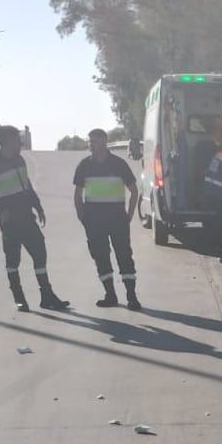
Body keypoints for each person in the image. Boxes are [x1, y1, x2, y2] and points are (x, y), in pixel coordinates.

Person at [0, 125, 70, 312]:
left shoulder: (19, 160)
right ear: (6, 143)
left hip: (27, 216)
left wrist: (38, 206)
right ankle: (19, 299)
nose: (20, 144)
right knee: (13, 261)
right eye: (16, 141)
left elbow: (26, 185)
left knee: (40, 254)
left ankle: (47, 296)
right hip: (9, 222)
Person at [73, 128, 142, 310]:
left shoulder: (118, 164)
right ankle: (110, 295)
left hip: (117, 220)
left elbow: (134, 191)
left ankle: (131, 296)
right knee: (101, 257)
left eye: (93, 142)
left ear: (103, 142)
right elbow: (77, 194)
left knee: (124, 257)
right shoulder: (84, 166)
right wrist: (82, 217)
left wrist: (129, 215)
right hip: (93, 222)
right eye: (89, 142)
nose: (90, 145)